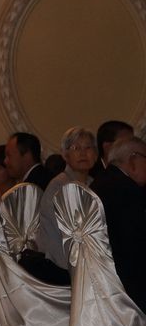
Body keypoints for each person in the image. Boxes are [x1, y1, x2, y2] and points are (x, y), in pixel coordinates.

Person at [21, 127, 97, 286]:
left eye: (88, 147)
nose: (83, 153)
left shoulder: (93, 184)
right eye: (76, 148)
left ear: (96, 154)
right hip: (59, 264)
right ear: (65, 154)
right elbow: (69, 234)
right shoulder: (59, 185)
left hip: (84, 259)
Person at [91, 136, 146, 313]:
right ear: (133, 160)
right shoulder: (127, 190)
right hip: (128, 287)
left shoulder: (99, 183)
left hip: (101, 282)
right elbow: (137, 244)